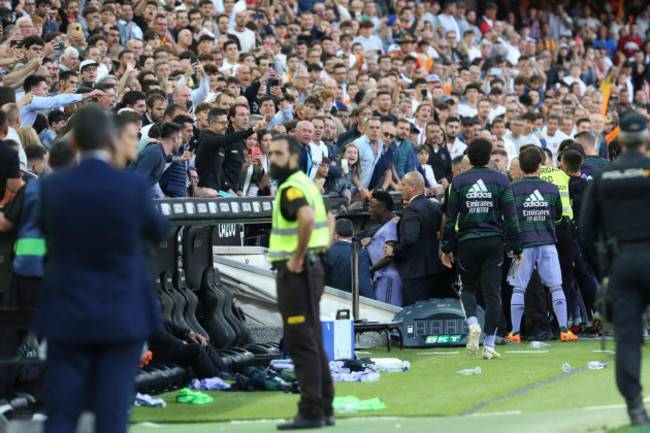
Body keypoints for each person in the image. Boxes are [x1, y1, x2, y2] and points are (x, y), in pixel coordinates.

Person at [32, 105, 168, 433]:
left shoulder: (52, 187)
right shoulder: (132, 187)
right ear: (111, 139)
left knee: (62, 412)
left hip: (67, 310)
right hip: (121, 313)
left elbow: (42, 230)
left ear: (74, 143)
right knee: (111, 414)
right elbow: (160, 231)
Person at [580, 112, 650, 427]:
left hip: (623, 262)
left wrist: (605, 268)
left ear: (619, 141)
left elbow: (586, 230)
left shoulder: (605, 177)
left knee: (628, 337)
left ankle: (635, 406)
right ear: (646, 140)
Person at [266, 134, 336, 430]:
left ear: (295, 158)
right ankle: (324, 406)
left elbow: (307, 218)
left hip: (298, 272)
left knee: (300, 339)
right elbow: (330, 216)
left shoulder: (291, 189)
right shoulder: (306, 184)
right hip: (312, 266)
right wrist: (321, 248)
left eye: (278, 154)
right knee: (312, 337)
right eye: (270, 153)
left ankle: (311, 411)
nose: (272, 159)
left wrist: (297, 257)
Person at [441, 138, 523, 360]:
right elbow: (512, 217)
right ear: (488, 157)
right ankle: (488, 345)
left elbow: (450, 219)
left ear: (469, 156)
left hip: (467, 241)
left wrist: (446, 247)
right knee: (493, 292)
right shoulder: (501, 180)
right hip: (493, 242)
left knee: (467, 288)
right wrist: (517, 247)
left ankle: (473, 323)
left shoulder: (458, 182)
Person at [505, 147, 577, 344]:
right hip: (547, 243)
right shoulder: (551, 189)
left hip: (523, 246)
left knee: (518, 289)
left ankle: (515, 333)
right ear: (540, 166)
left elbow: (509, 220)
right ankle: (563, 330)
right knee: (556, 286)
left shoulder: (513, 189)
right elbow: (557, 215)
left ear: (521, 168)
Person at [384, 171, 445, 306]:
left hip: (414, 272)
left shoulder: (412, 209)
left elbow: (410, 238)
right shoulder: (430, 205)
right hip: (432, 269)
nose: (401, 188)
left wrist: (394, 251)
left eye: (403, 185)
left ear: (412, 187)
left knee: (415, 314)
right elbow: (442, 224)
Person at [364, 191, 403, 306]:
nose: (369, 210)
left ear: (381, 208)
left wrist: (371, 270)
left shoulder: (391, 226)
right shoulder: (383, 227)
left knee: (387, 318)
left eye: (371, 206)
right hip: (382, 279)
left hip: (389, 278)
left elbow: (389, 256)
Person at [325, 218, 374, 298]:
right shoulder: (360, 253)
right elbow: (363, 284)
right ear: (352, 234)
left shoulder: (326, 253)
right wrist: (374, 302)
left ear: (336, 235)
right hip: (351, 302)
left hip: (329, 299)